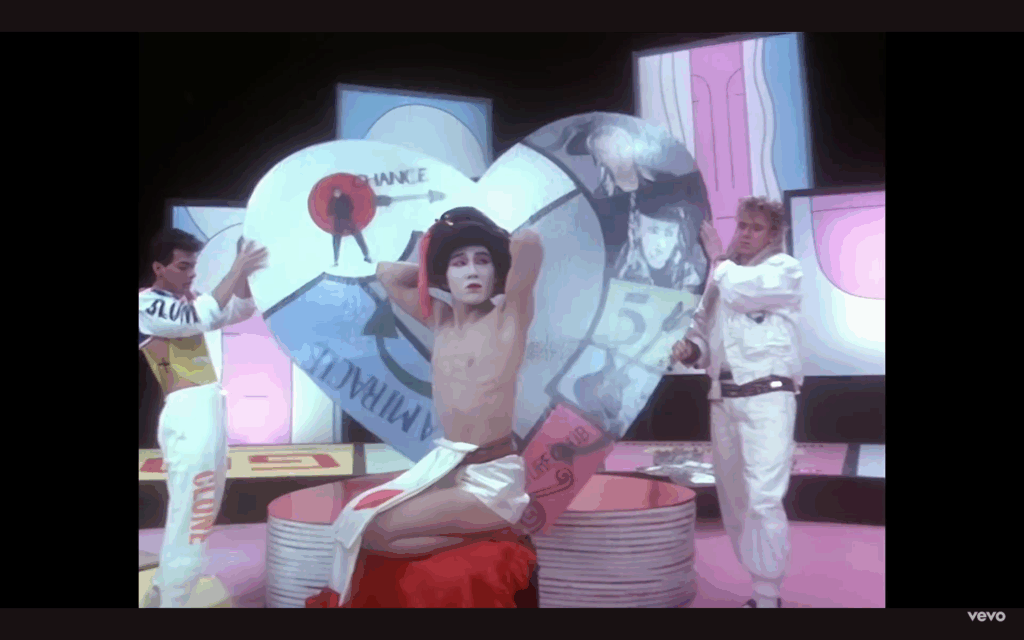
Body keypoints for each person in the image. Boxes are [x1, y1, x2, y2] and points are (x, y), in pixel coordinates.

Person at [323, 206, 543, 606]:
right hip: (448, 469)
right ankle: (484, 533)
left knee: (373, 530)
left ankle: (501, 527)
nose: (472, 271)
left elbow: (529, 242)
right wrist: (438, 259)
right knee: (351, 519)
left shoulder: (509, 316)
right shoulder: (440, 320)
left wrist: (473, 228)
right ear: (443, 276)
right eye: (460, 263)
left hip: (492, 478)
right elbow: (388, 273)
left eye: (482, 261)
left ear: (496, 272)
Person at [669, 196, 802, 609]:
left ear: (773, 234)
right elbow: (702, 334)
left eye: (755, 228)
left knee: (763, 497)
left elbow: (745, 293)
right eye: (741, 225)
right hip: (723, 399)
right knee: (735, 502)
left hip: (769, 398)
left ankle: (767, 597)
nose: (745, 234)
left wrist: (717, 259)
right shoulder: (721, 281)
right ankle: (760, 585)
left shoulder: (784, 270)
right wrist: (691, 350)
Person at [138, 229, 268, 607]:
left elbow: (237, 310)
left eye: (193, 266)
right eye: (183, 266)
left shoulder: (184, 299)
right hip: (189, 408)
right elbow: (197, 318)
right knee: (196, 509)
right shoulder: (146, 303)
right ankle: (175, 601)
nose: (191, 273)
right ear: (158, 268)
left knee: (196, 508)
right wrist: (236, 267)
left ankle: (163, 592)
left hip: (205, 406)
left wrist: (243, 275)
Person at [612, 202, 707, 292]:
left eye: (669, 233)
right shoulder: (622, 266)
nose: (661, 244)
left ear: (678, 237)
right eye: (653, 231)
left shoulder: (691, 270)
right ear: (638, 231)